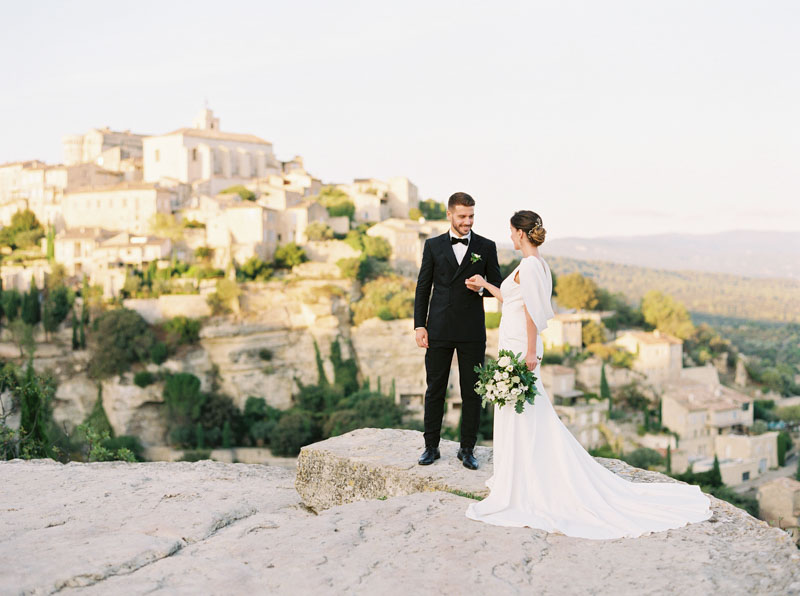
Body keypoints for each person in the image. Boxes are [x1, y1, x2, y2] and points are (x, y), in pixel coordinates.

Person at [462, 210, 712, 539]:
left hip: (520, 348)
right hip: (512, 344)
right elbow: (512, 298)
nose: (509, 237)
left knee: (525, 410)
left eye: (511, 232)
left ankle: (525, 481)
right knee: (522, 410)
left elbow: (532, 312)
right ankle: (517, 473)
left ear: (521, 234)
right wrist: (484, 285)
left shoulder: (532, 266)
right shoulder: (531, 265)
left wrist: (530, 352)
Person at [413, 192, 502, 469]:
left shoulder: (486, 246)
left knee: (472, 391)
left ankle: (467, 449)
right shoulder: (433, 245)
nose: (468, 221)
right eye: (463, 216)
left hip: (472, 329)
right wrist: (419, 325)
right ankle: (431, 446)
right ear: (449, 214)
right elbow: (423, 288)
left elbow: (497, 286)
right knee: (435, 389)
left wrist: (482, 285)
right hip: (438, 327)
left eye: (471, 216)